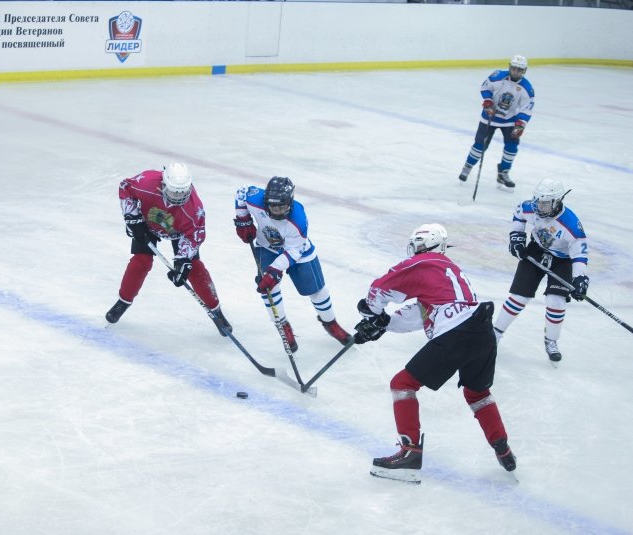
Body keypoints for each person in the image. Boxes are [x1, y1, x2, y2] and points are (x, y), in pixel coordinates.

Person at [352, 224, 515, 484]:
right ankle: (502, 447)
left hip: (457, 334)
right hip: (483, 333)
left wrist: (371, 312)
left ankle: (410, 454)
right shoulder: (447, 271)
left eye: (417, 247)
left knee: (402, 384)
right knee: (478, 394)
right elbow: (423, 313)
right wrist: (384, 324)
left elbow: (380, 287)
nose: (414, 252)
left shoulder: (424, 262)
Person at [105, 163, 232, 337]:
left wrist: (183, 261)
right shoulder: (147, 182)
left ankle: (216, 311)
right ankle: (123, 302)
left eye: (182, 193)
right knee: (141, 261)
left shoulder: (195, 209)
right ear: (163, 185)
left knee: (194, 268)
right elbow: (125, 188)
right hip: (147, 223)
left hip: (179, 232)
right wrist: (133, 218)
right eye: (174, 192)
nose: (179, 197)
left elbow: (193, 236)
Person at [233, 176, 351, 352]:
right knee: (268, 288)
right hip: (267, 247)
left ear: (290, 202)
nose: (277, 211)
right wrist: (243, 220)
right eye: (273, 206)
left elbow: (293, 251)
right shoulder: (254, 199)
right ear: (266, 201)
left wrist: (275, 270)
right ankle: (283, 326)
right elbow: (241, 193)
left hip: (298, 252)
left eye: (282, 206)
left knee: (316, 290)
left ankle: (330, 323)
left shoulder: (298, 218)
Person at [493, 178, 589, 363]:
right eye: (538, 201)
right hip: (535, 251)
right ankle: (495, 333)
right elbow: (519, 214)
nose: (539, 207)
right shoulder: (532, 207)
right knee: (518, 298)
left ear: (557, 201)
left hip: (563, 261)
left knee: (556, 301)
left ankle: (551, 340)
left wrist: (579, 278)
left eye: (545, 203)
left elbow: (579, 253)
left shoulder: (571, 224)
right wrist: (517, 237)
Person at [458, 55, 535, 192]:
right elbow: (485, 87)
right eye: (514, 68)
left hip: (510, 120)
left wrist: (520, 124)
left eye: (519, 70)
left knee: (512, 146)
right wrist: (488, 101)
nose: (516, 71)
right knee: (480, 144)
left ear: (524, 71)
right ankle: (467, 167)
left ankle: (503, 173)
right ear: (509, 67)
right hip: (489, 116)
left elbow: (526, 108)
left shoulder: (527, 88)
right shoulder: (497, 76)